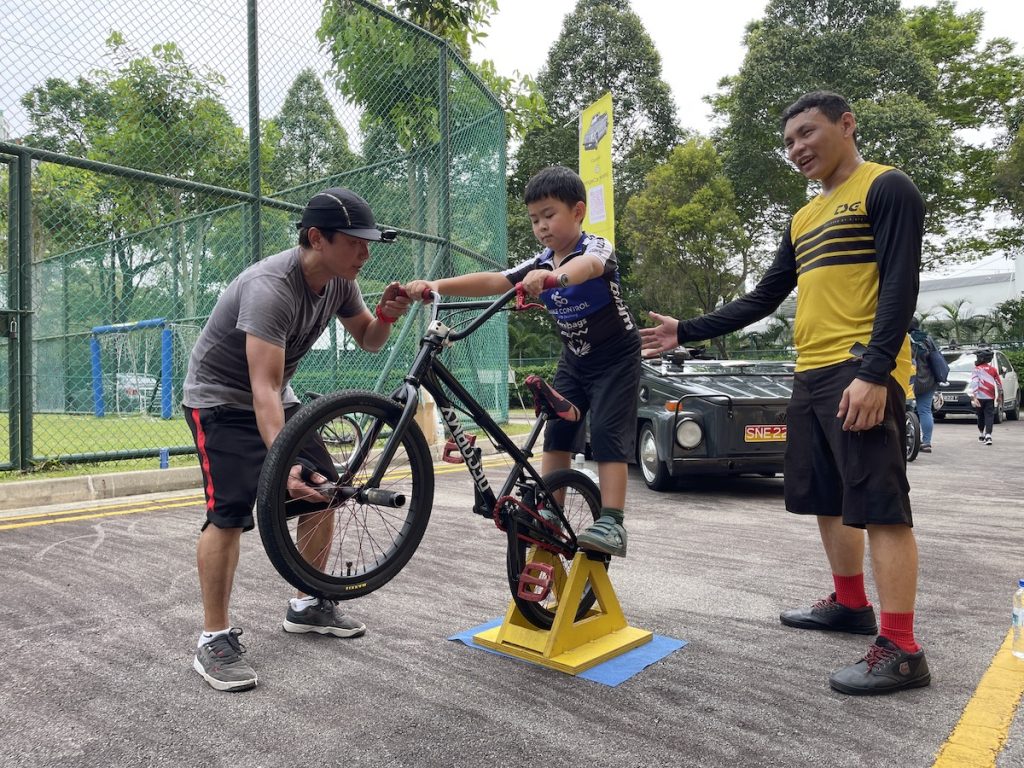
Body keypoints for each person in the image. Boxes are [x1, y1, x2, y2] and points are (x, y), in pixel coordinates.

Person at [640, 91, 930, 695]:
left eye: (807, 132)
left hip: (861, 368)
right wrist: (684, 331)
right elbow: (763, 297)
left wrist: (876, 372)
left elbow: (901, 284)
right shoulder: (804, 219)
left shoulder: (886, 188)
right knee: (826, 498)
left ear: (846, 125)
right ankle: (851, 606)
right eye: (789, 141)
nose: (797, 148)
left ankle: (902, 647)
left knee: (881, 506)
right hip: (812, 372)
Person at [182, 187, 412, 692]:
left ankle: (309, 603)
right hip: (220, 401)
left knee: (326, 490)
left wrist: (388, 315)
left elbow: (369, 340)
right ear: (317, 238)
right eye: (356, 242)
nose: (366, 253)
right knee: (231, 512)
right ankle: (213, 639)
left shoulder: (338, 282)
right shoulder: (272, 286)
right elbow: (260, 386)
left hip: (274, 399)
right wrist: (280, 463)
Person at [403, 165, 640, 558]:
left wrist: (553, 279)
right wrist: (436, 287)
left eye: (549, 215)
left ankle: (613, 522)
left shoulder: (594, 248)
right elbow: (497, 280)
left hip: (616, 356)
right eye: (534, 220)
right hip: (575, 358)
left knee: (609, 433)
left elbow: (589, 269)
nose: (542, 226)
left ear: (578, 211)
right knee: (556, 432)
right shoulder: (541, 259)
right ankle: (551, 506)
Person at [908, 318, 940, 452]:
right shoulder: (927, 338)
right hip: (928, 380)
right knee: (925, 411)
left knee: (904, 409)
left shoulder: (904, 338)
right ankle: (926, 442)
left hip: (909, 380)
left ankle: (904, 439)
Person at [969, 348, 1002, 445]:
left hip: (979, 397)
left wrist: (974, 397)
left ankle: (981, 434)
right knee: (989, 416)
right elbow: (999, 384)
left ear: (981, 358)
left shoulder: (976, 370)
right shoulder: (993, 370)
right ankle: (988, 435)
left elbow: (975, 383)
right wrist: (999, 396)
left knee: (980, 416)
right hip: (990, 397)